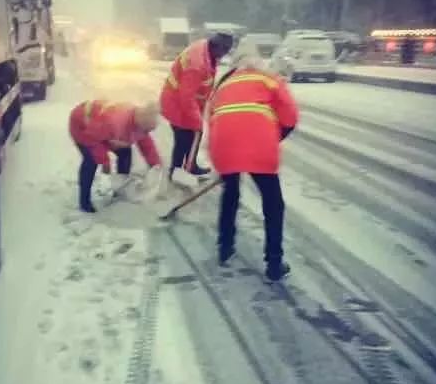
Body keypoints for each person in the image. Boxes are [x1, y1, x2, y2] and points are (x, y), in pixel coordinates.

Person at [208, 53, 299, 282]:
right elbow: (290, 116)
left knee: (230, 193)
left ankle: (224, 246)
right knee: (272, 203)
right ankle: (274, 263)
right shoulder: (269, 79)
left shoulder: (224, 84)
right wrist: (272, 138)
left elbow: (213, 118)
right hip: (259, 144)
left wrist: (227, 156)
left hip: (223, 144)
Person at [160, 33, 234, 186]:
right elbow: (186, 97)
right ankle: (177, 171)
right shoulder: (197, 64)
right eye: (224, 52)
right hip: (177, 104)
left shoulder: (206, 49)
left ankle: (188, 166)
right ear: (217, 47)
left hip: (184, 102)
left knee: (189, 135)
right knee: (185, 137)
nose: (223, 56)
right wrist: (196, 120)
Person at [69, 100, 161, 213]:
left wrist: (155, 164)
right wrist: (104, 161)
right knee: (91, 161)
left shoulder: (141, 123)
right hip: (82, 126)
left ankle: (120, 189)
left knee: (125, 152)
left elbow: (146, 144)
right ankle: (84, 201)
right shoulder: (116, 122)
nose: (147, 133)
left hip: (102, 130)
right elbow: (92, 139)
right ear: (140, 124)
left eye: (149, 130)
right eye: (146, 130)